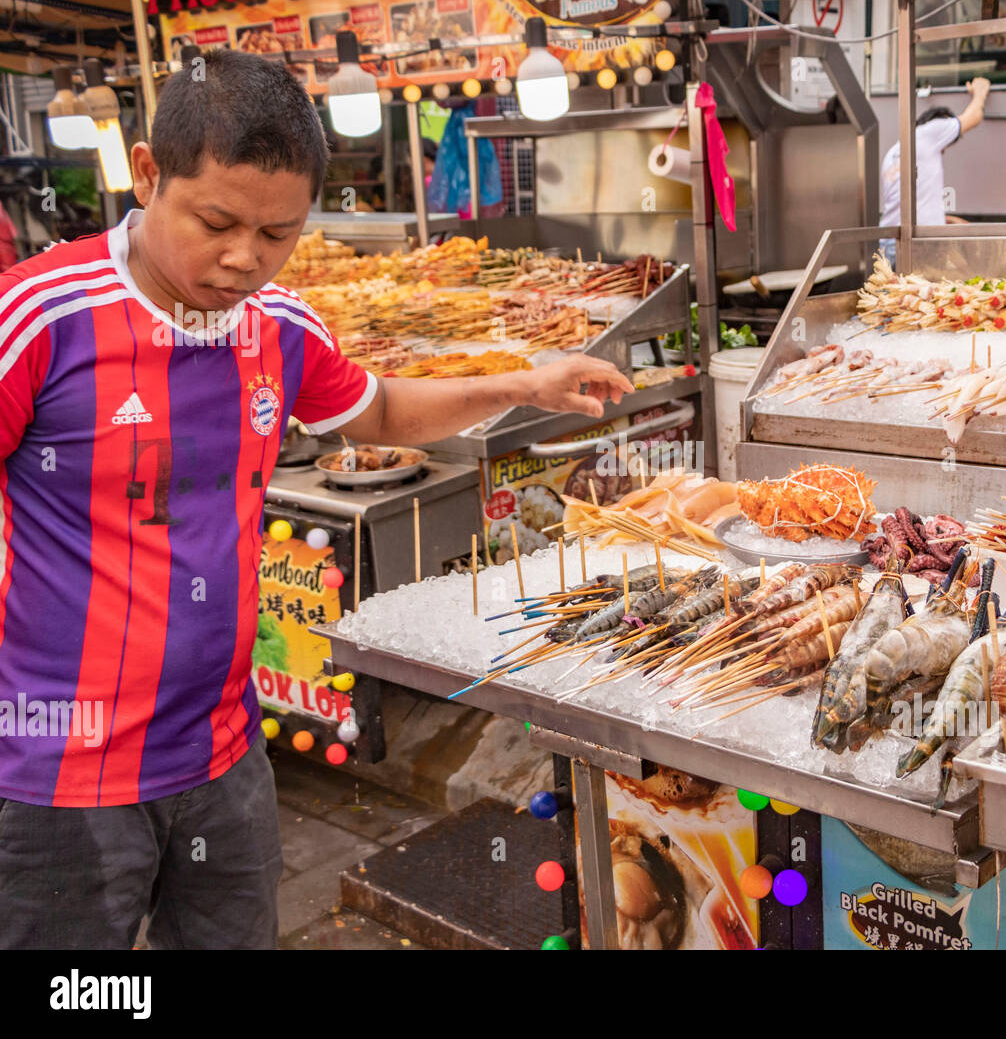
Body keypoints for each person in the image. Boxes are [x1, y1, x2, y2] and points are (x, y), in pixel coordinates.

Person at [0, 50, 632, 950]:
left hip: (223, 756)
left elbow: (376, 411)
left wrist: (523, 384)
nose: (243, 258)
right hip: (53, 773)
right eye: (216, 221)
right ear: (147, 174)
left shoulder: (279, 325)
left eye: (278, 234)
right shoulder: (41, 316)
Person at [878, 76, 991, 264]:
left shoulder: (894, 152)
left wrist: (946, 220)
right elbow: (973, 117)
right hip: (916, 243)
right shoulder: (931, 131)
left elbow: (910, 205)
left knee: (893, 292)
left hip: (889, 242)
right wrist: (980, 92)